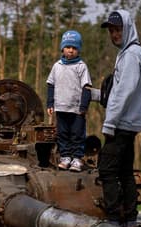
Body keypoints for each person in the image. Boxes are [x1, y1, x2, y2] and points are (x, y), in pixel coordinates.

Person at [98, 9, 141, 227]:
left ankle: (113, 222)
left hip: (121, 124)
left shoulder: (130, 55)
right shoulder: (132, 53)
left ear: (128, 29)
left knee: (106, 168)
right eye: (111, 30)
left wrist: (109, 123)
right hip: (128, 124)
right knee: (125, 171)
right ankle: (130, 220)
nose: (114, 34)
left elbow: (124, 92)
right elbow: (117, 90)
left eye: (118, 29)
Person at [46, 29, 93, 172]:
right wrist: (50, 103)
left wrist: (84, 106)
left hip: (77, 109)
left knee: (77, 134)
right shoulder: (57, 66)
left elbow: (87, 87)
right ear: (62, 48)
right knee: (62, 134)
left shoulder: (81, 67)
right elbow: (50, 84)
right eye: (68, 47)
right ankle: (65, 157)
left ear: (78, 50)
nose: (71, 51)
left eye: (74, 48)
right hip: (60, 107)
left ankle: (77, 159)